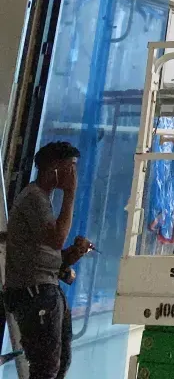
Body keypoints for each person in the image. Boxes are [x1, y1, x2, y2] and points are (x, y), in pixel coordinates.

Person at [3, 142, 93, 379]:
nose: (73, 175)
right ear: (54, 167)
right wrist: (71, 194)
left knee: (60, 363)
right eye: (70, 168)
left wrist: (72, 254)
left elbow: (48, 253)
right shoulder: (33, 198)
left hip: (47, 288)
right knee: (45, 368)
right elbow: (56, 238)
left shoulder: (44, 200)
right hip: (34, 293)